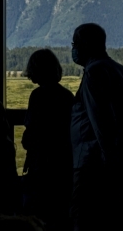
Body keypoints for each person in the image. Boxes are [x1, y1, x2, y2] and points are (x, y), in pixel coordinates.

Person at [69, 23, 123, 231]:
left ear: (85, 45)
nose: (74, 49)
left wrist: (109, 161)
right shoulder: (121, 71)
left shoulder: (93, 74)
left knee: (86, 220)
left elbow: (101, 124)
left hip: (94, 165)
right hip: (122, 164)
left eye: (75, 43)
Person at [21, 49, 74, 229]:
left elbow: (31, 134)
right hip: (64, 166)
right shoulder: (67, 96)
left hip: (41, 166)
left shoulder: (37, 96)